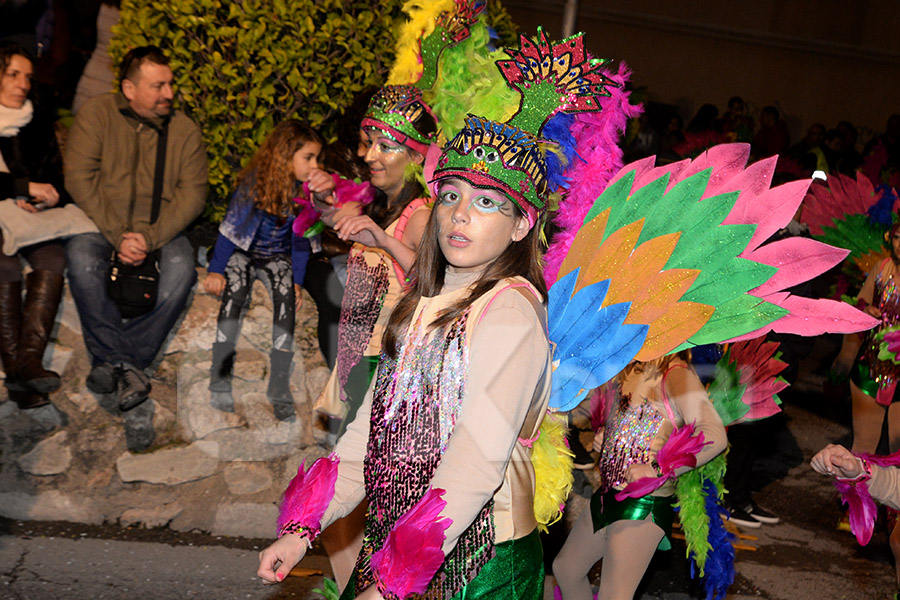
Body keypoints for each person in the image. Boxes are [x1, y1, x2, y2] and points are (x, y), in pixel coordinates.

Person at [64, 45, 207, 447]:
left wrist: (150, 237)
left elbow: (193, 195)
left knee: (182, 270)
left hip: (161, 229)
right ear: (129, 87)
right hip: (101, 224)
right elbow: (79, 177)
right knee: (79, 257)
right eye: (158, 85)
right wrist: (117, 233)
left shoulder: (184, 131)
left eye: (170, 83)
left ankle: (116, 361)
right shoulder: (97, 115)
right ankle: (130, 364)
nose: (168, 92)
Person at [553, 354, 727, 600]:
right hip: (607, 494)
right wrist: (608, 436)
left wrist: (656, 469)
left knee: (614, 595)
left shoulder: (676, 374)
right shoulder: (633, 367)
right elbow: (633, 421)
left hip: (643, 505)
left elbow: (714, 436)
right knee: (567, 569)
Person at [203, 120, 324, 420]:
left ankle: (279, 383)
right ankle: (220, 377)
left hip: (275, 256)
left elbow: (300, 242)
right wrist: (217, 269)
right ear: (285, 156)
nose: (314, 165)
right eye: (308, 157)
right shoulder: (255, 184)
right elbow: (230, 231)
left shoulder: (306, 195)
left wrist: (296, 281)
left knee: (286, 301)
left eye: (316, 158)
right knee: (235, 295)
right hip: (243, 253)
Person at [0, 42, 69, 409]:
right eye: (13, 74)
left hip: (28, 218)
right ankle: (22, 371)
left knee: (53, 257)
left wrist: (47, 195)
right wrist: (22, 188)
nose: (23, 84)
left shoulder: (37, 121)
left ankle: (26, 362)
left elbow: (55, 176)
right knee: (5, 262)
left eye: (28, 76)